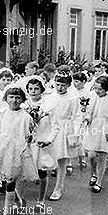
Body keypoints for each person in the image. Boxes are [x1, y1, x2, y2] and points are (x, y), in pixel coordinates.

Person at [0, 87, 38, 215]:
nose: (14, 100)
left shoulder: (26, 116)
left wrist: (31, 138)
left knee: (10, 183)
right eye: (11, 97)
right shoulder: (1, 114)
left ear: (23, 100)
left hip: (18, 151)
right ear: (6, 99)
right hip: (3, 150)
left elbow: (31, 134)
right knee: (6, 180)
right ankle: (19, 202)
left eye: (18, 98)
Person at [41, 71, 81, 201]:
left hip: (64, 129)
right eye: (58, 84)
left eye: (63, 85)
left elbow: (77, 116)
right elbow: (44, 112)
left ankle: (58, 187)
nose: (60, 87)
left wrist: (75, 133)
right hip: (50, 128)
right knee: (47, 158)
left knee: (61, 160)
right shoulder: (49, 96)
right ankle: (46, 186)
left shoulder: (72, 98)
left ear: (69, 85)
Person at [82, 75, 108, 193]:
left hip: (106, 129)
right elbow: (89, 112)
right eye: (95, 88)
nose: (97, 91)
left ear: (106, 88)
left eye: (100, 89)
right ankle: (94, 173)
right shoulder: (93, 98)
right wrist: (87, 118)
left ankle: (99, 182)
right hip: (94, 127)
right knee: (91, 155)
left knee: (102, 156)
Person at [23, 76, 56, 210]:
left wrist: (48, 140)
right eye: (30, 89)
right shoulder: (24, 105)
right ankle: (20, 200)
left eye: (36, 89)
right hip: (28, 143)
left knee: (42, 172)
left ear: (41, 90)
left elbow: (55, 126)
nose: (33, 91)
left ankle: (41, 200)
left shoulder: (48, 106)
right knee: (23, 173)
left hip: (42, 142)